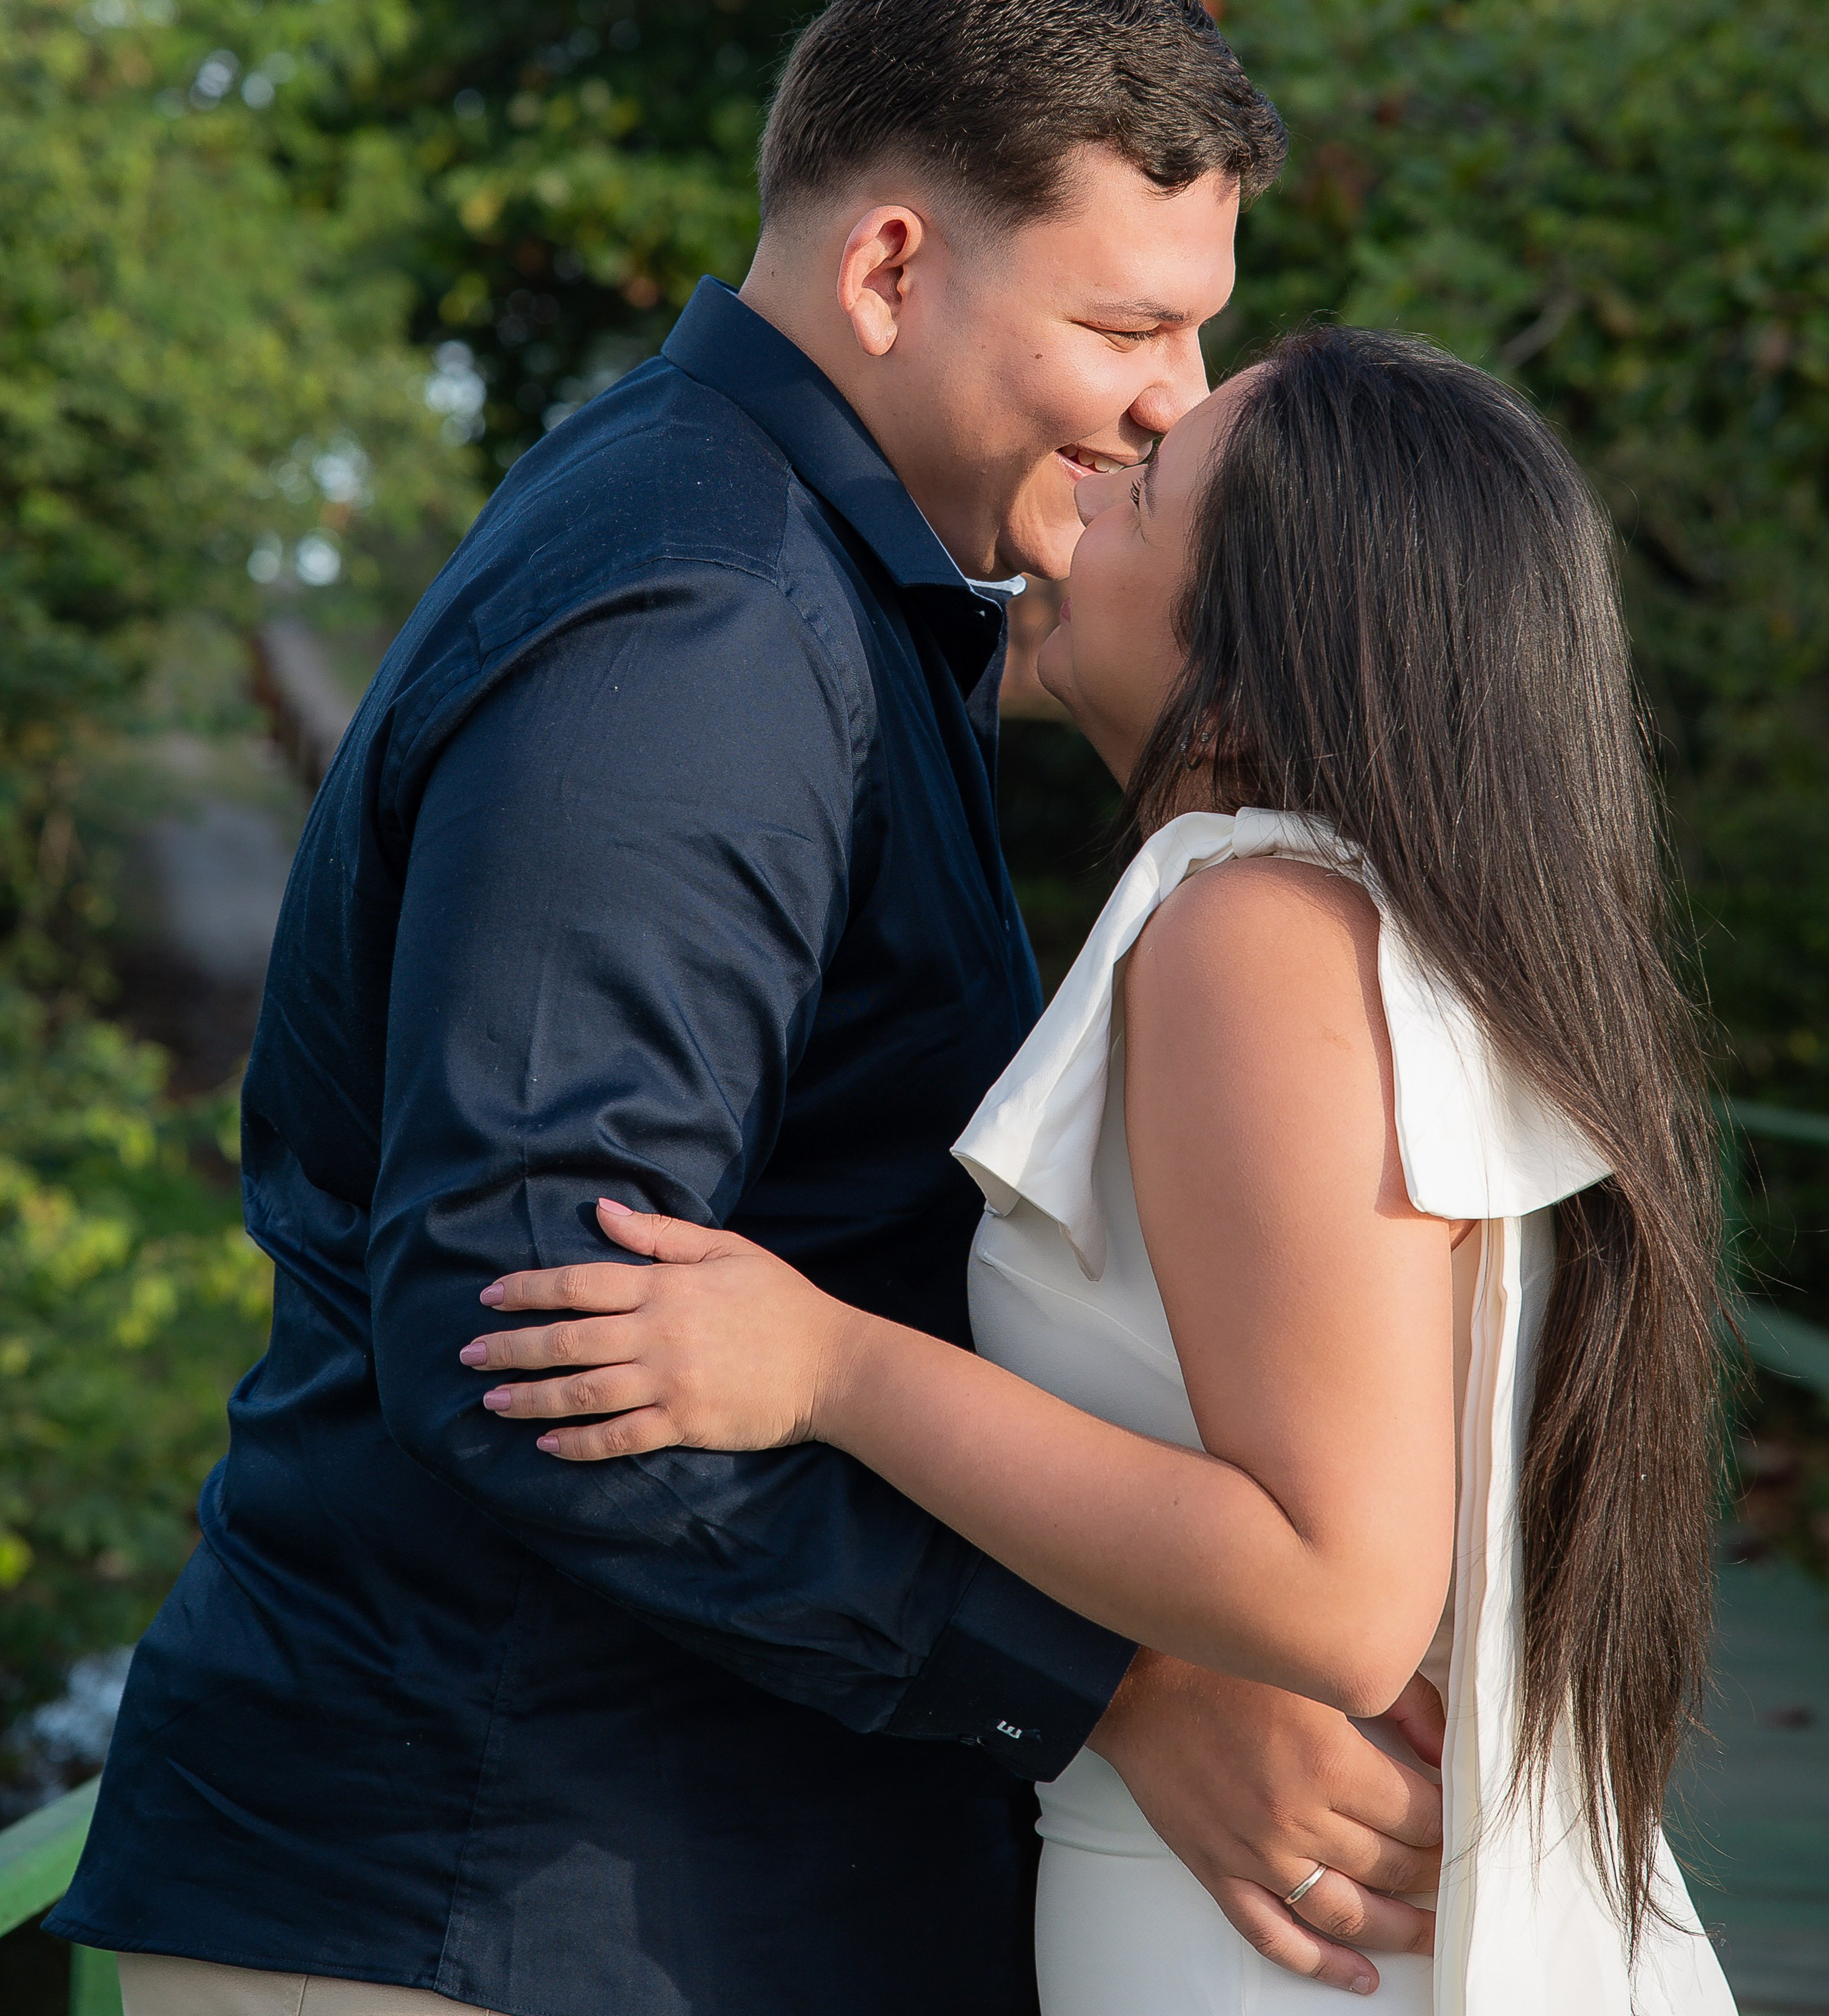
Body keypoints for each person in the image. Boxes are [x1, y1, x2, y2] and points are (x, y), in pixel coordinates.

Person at [55, 0, 1445, 2016]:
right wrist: (1107, 1689)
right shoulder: (706, 619)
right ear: (891, 269)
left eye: (1197, 335)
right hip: (487, 1895)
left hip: (637, 1881)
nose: (1169, 405)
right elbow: (534, 1342)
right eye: (1124, 327)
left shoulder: (808, 577)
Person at [463, 327, 1738, 2014]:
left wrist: (832, 1367)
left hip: (1274, 1949)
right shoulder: (1392, 938)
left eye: (1139, 497)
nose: (1069, 518)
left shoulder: (1256, 930)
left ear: (1268, 643)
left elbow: (1337, 1590)